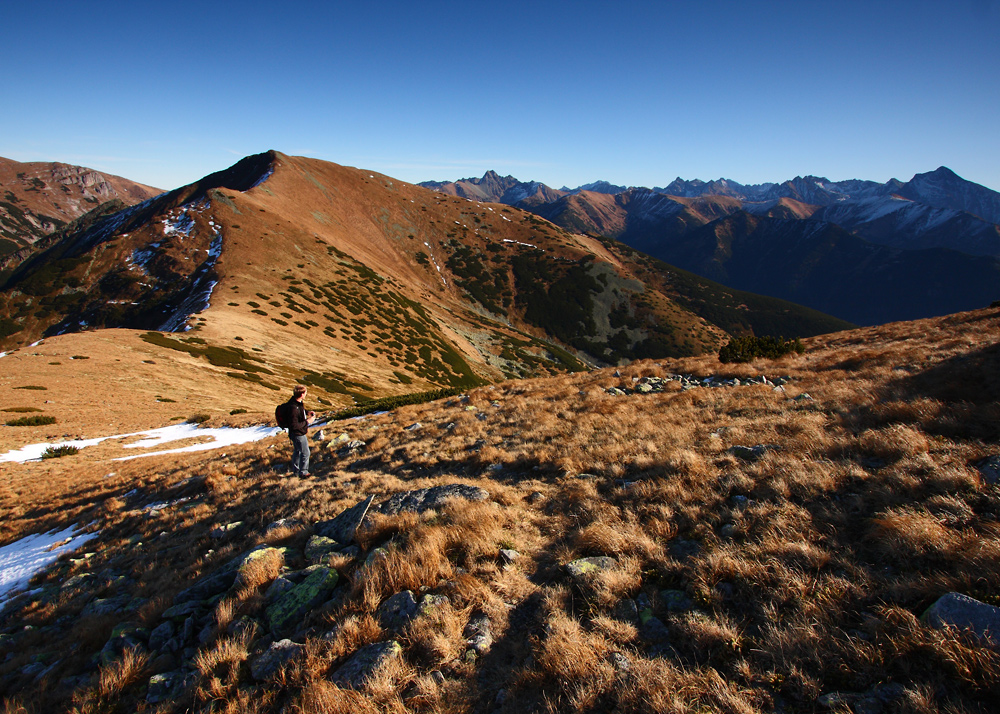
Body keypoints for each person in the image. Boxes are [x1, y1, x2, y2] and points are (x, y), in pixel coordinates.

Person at [284, 385, 315, 476]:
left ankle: (296, 471)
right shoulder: (294, 408)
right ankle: (303, 472)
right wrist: (308, 421)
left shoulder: (295, 402)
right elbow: (295, 425)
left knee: (297, 451)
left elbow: (300, 410)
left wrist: (307, 412)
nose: (306, 395)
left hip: (296, 433)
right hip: (298, 434)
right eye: (305, 393)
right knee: (305, 452)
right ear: (302, 394)